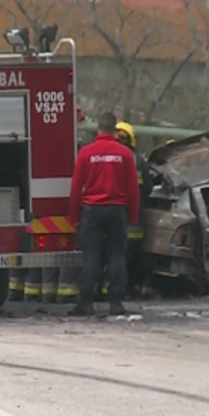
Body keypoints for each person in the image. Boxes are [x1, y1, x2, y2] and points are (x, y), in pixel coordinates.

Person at [68, 111, 140, 317]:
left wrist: (73, 217)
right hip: (117, 210)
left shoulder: (86, 153)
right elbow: (133, 188)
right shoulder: (125, 154)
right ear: (114, 130)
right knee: (116, 255)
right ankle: (116, 302)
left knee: (91, 256)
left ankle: (86, 303)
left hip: (92, 211)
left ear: (98, 128)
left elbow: (76, 187)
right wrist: (132, 216)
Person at [115, 121, 152, 295]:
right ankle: (131, 288)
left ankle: (117, 289)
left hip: (114, 217)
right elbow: (149, 187)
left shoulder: (111, 155)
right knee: (132, 257)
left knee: (115, 256)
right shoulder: (139, 160)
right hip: (134, 218)